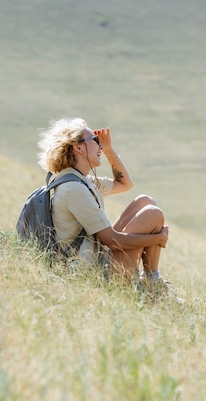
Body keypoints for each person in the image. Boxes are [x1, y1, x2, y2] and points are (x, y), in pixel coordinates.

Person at [37, 117, 169, 291]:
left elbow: (125, 184)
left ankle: (151, 280)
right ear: (78, 148)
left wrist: (108, 149)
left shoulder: (82, 180)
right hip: (93, 274)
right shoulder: (74, 189)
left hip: (98, 257)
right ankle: (153, 286)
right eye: (96, 141)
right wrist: (157, 238)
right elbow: (112, 241)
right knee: (153, 214)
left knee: (145, 201)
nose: (100, 145)